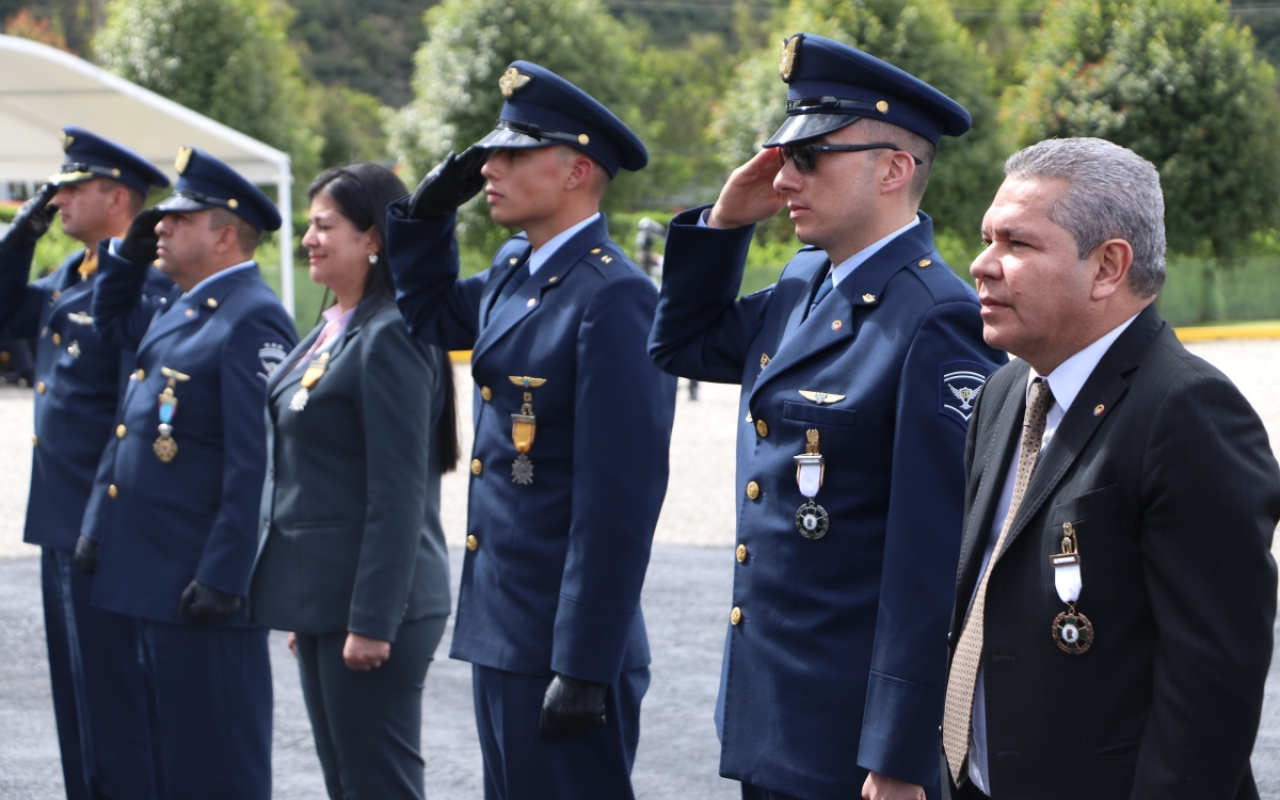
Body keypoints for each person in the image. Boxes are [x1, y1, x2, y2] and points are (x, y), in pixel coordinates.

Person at [648, 34, 1005, 800]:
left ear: (894, 168)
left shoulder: (937, 319)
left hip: (853, 738)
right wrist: (722, 226)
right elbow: (680, 343)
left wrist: (901, 754)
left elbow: (932, 559)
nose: (785, 177)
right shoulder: (807, 281)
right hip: (775, 713)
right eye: (782, 156)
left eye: (811, 157)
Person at [940, 137, 1280, 799]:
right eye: (987, 239)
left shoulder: (1188, 411)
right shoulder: (1006, 392)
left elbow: (1208, 694)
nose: (983, 265)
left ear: (1107, 267)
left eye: (1018, 244)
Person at [385, 61, 677, 799]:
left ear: (577, 169)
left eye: (514, 153)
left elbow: (618, 502)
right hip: (506, 627)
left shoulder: (614, 298)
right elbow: (431, 315)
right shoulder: (518, 269)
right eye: (492, 152)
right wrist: (423, 217)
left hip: (560, 642)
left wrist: (582, 663)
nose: (490, 166)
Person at [75, 146, 297, 800]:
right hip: (152, 576)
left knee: (217, 763)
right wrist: (97, 522)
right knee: (172, 760)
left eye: (179, 219)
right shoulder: (184, 305)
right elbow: (129, 414)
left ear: (225, 235)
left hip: (200, 585)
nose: (160, 227)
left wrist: (225, 575)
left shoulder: (252, 314)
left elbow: (255, 462)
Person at [249, 163, 458, 800]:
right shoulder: (333, 327)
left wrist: (371, 619)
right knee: (346, 779)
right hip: (327, 600)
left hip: (375, 604)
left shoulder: (392, 332)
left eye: (323, 226)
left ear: (373, 237)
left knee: (378, 782)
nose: (308, 239)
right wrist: (305, 600)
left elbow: (397, 495)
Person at [0, 126, 170, 800]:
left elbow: (144, 411)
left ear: (117, 196)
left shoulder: (146, 289)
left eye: (73, 188)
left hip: (108, 526)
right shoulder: (65, 279)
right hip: (60, 521)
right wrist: (24, 228)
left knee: (118, 705)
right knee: (78, 703)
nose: (60, 199)